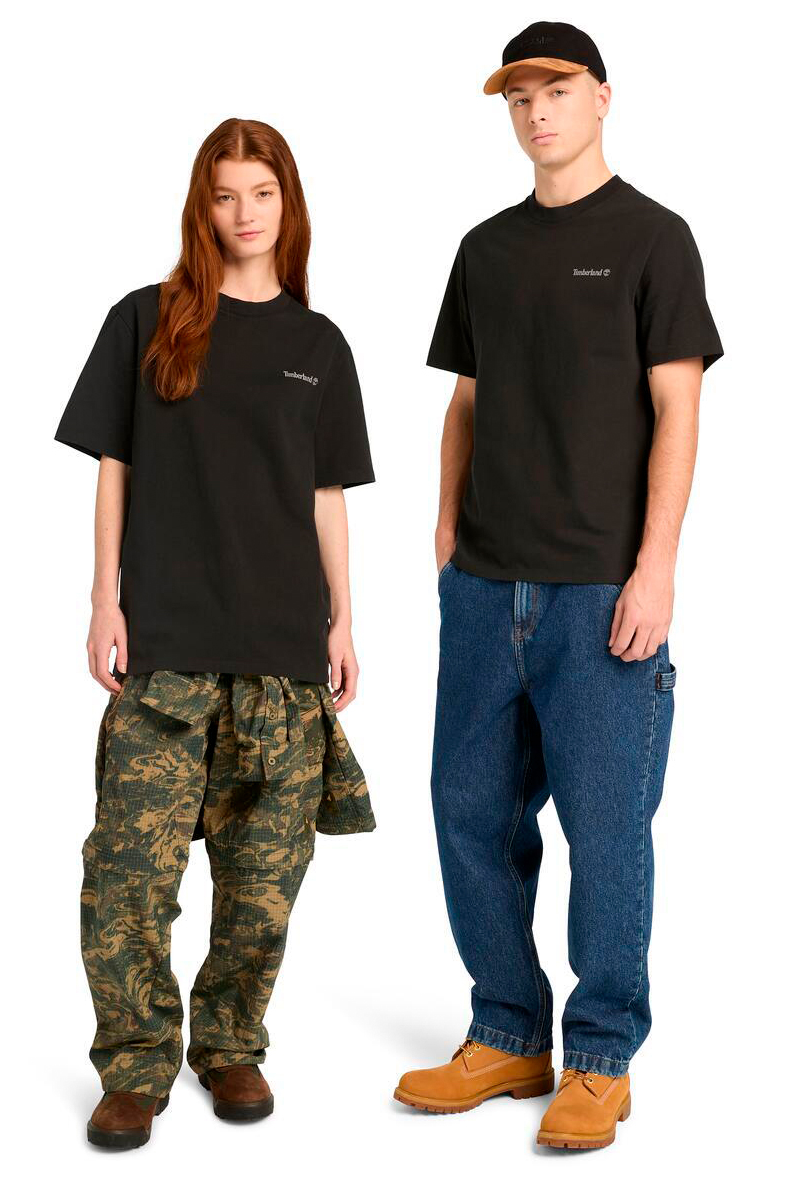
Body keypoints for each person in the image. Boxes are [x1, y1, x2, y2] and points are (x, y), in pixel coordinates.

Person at [393, 22, 723, 1150]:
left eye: (558, 90)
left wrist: (655, 567)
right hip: (485, 588)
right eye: (519, 96)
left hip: (598, 591)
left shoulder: (653, 239)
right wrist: (446, 530)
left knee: (606, 829)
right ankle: (505, 1031)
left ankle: (599, 1058)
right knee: (468, 813)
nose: (537, 111)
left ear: (602, 99)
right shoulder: (483, 249)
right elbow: (465, 402)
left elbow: (678, 408)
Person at [55, 117, 376, 1150]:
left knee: (262, 885)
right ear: (203, 206)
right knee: (126, 876)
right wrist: (103, 597)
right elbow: (115, 465)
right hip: (167, 651)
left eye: (262, 194)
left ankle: (230, 1043)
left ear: (289, 204)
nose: (245, 214)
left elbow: (326, 494)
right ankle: (135, 1063)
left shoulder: (319, 346)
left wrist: (344, 616)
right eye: (226, 195)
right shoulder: (145, 320)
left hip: (281, 656)